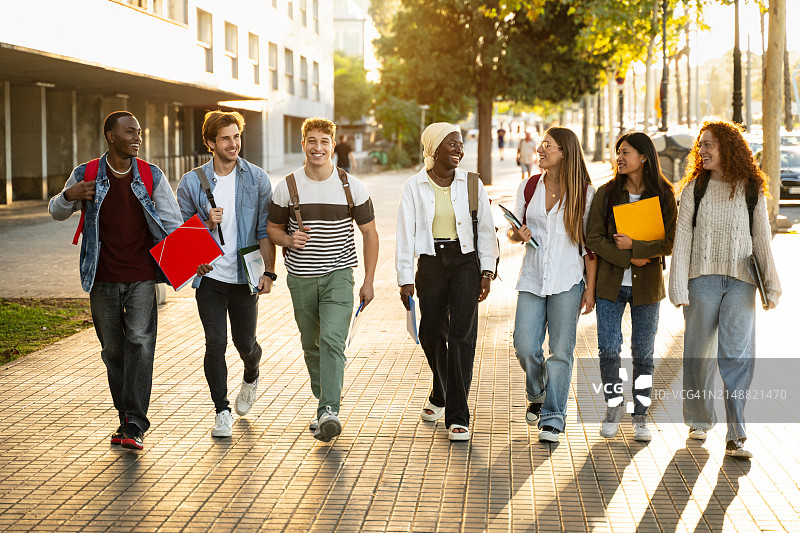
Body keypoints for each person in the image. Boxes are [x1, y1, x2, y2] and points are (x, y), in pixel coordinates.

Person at [48, 111, 182, 450]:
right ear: (110, 135)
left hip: (140, 276)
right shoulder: (87, 174)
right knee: (112, 350)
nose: (137, 137)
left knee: (139, 341)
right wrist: (70, 195)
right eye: (129, 132)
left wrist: (192, 260)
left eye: (139, 132)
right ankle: (125, 419)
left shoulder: (151, 175)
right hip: (102, 276)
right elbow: (55, 211)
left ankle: (136, 423)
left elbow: (173, 221)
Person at [669, 120, 781, 459]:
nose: (702, 151)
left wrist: (772, 285)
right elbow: (683, 238)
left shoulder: (750, 189)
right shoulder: (694, 190)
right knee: (698, 354)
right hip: (700, 279)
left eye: (709, 145)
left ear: (728, 149)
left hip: (741, 281)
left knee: (736, 355)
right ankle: (699, 420)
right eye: (700, 145)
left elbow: (761, 237)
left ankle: (737, 432)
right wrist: (677, 284)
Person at [267, 117, 379, 443]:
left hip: (339, 276)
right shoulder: (287, 186)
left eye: (324, 142)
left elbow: (370, 233)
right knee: (311, 346)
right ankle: (323, 405)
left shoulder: (351, 186)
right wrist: (288, 241)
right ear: (303, 144)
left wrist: (369, 280)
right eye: (312, 141)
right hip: (300, 279)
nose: (318, 148)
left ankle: (330, 409)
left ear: (333, 145)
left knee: (332, 340)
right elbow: (272, 230)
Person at [396, 123, 499, 442]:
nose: (459, 149)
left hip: (466, 260)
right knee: (429, 331)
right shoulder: (415, 185)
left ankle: (457, 415)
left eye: (460, 144)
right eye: (452, 144)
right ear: (434, 149)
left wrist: (487, 271)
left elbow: (485, 228)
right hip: (430, 261)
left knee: (461, 336)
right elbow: (404, 232)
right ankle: (440, 389)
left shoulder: (471, 183)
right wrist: (404, 278)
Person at [176, 110, 275, 438]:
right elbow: (178, 234)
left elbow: (264, 230)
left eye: (236, 136)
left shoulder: (257, 178)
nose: (233, 144)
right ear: (210, 143)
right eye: (225, 138)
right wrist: (206, 224)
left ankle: (251, 374)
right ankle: (222, 410)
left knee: (244, 343)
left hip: (244, 277)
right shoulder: (192, 182)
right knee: (214, 343)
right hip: (210, 278)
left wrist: (268, 273)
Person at [585, 132, 677, 443]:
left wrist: (638, 249)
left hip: (647, 288)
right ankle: (614, 408)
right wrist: (628, 257)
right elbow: (593, 238)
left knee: (643, 354)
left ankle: (641, 416)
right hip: (610, 285)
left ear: (644, 157)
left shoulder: (664, 194)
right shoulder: (607, 193)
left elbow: (671, 242)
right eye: (618, 153)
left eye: (625, 152)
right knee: (609, 350)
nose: (619, 158)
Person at [507, 126, 596, 444]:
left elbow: (589, 245)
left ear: (565, 152)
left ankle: (554, 418)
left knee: (561, 352)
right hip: (532, 278)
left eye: (548, 145)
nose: (540, 149)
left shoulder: (585, 193)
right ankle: (538, 392)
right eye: (541, 144)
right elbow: (513, 230)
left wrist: (591, 288)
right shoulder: (529, 186)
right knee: (525, 346)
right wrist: (519, 234)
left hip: (568, 280)